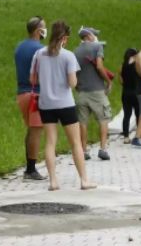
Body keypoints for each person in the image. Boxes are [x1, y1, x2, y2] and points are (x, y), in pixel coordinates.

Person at [30, 21, 97, 191]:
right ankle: (84, 180)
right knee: (75, 142)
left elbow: (33, 80)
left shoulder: (39, 54)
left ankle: (53, 181)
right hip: (65, 104)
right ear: (65, 38)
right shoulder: (68, 56)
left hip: (46, 104)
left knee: (50, 142)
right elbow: (73, 83)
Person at [13, 16, 47, 180]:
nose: (45, 31)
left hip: (22, 92)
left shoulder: (20, 47)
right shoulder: (40, 50)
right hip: (35, 93)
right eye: (43, 28)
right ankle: (31, 169)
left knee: (30, 129)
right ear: (37, 30)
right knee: (36, 131)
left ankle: (29, 166)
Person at [74, 26, 113, 161]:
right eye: (95, 35)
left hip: (81, 92)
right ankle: (103, 148)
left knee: (83, 122)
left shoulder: (75, 51)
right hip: (97, 91)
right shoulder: (97, 47)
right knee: (103, 119)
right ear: (90, 36)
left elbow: (74, 72)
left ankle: (83, 150)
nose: (96, 38)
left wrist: (77, 86)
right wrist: (108, 81)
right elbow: (99, 66)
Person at [118, 48, 140, 144]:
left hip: (126, 92)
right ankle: (138, 135)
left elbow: (121, 81)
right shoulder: (137, 65)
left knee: (127, 115)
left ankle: (126, 137)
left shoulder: (122, 66)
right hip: (136, 92)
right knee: (138, 114)